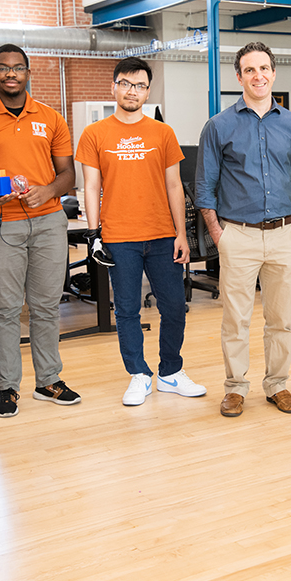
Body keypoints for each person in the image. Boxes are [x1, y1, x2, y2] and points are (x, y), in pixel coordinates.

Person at [0, 43, 80, 418]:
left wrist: (50, 190)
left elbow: (67, 174)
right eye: (3, 68)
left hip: (48, 221)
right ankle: (7, 386)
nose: (11, 74)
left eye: (18, 68)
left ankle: (48, 381)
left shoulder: (51, 118)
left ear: (28, 73)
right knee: (6, 309)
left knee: (45, 306)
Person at [196, 42, 291, 418]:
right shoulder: (219, 125)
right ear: (239, 77)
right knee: (236, 319)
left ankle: (277, 385)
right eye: (250, 70)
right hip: (239, 236)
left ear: (274, 73)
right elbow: (205, 187)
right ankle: (235, 388)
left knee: (281, 319)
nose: (258, 76)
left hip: (285, 235)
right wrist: (219, 234)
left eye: (264, 68)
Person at [76, 57, 205, 406]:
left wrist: (182, 234)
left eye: (140, 86)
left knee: (174, 307)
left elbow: (175, 186)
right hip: (120, 238)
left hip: (162, 235)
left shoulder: (162, 133)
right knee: (128, 310)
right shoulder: (94, 134)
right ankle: (139, 374)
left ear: (148, 91)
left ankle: (170, 372)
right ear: (114, 86)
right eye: (126, 84)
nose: (133, 91)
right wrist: (94, 234)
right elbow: (90, 187)